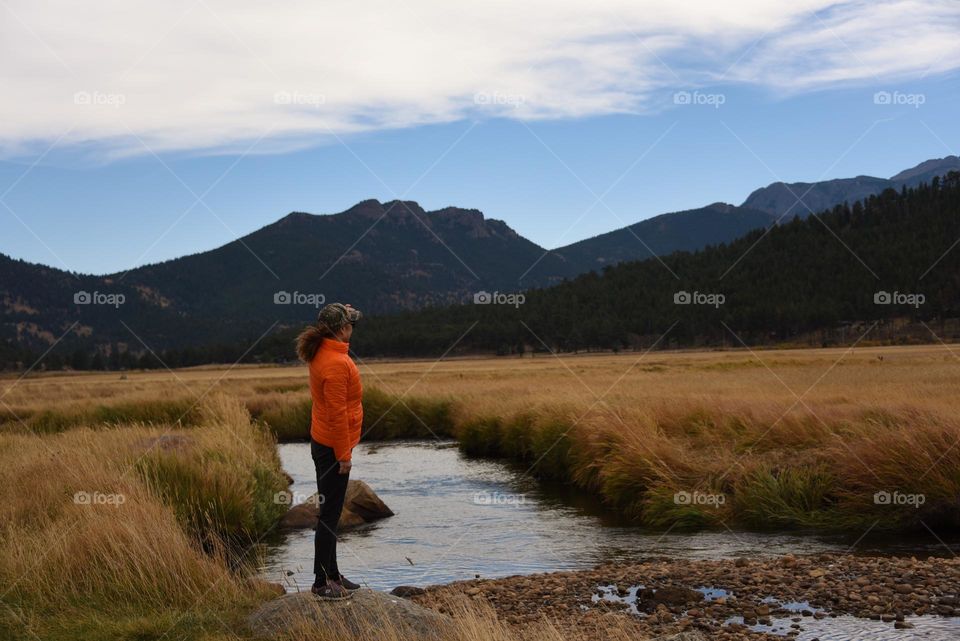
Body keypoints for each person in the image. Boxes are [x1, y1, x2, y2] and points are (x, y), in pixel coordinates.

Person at [296, 302, 364, 600]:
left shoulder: (323, 351)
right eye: (350, 323)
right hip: (332, 447)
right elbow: (337, 413)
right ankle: (321, 582)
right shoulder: (336, 363)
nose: (353, 327)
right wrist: (344, 456)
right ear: (342, 329)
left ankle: (332, 574)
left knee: (331, 512)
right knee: (330, 515)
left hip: (323, 441)